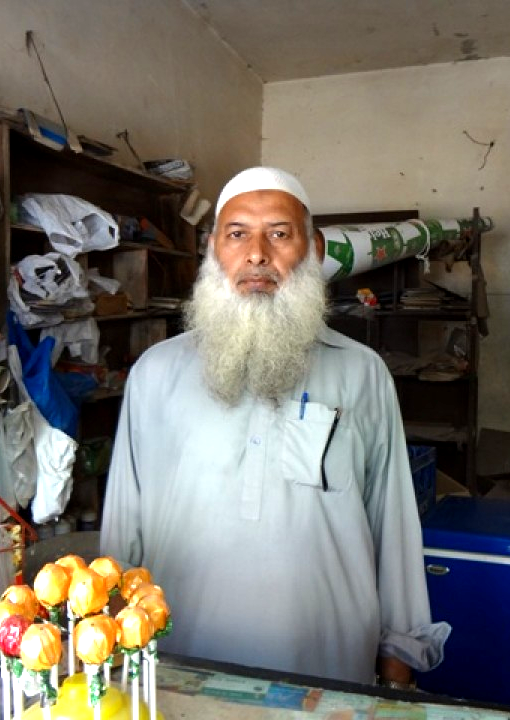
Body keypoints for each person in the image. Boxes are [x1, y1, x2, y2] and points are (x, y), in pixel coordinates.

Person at [100, 166, 450, 687]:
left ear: (311, 249)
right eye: (237, 233)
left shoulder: (362, 372)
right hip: (178, 661)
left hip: (326, 663)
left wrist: (398, 663)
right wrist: (108, 639)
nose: (257, 253)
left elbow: (393, 522)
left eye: (280, 234)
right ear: (214, 251)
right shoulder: (156, 372)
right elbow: (122, 522)